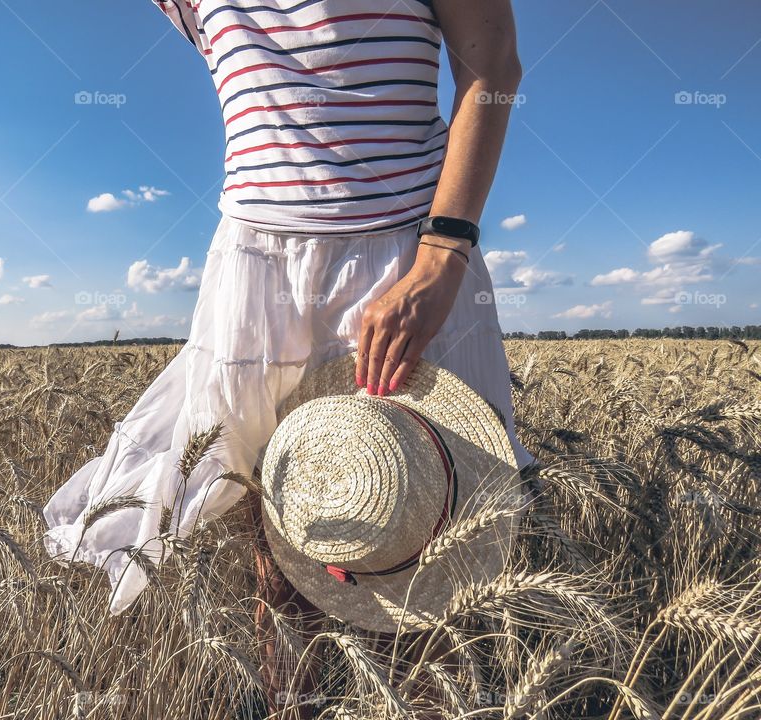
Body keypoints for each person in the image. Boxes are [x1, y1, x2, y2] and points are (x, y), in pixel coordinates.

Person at [42, 0, 532, 716]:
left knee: (426, 549)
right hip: (254, 268)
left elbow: (493, 67)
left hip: (406, 253)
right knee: (279, 538)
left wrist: (441, 256)